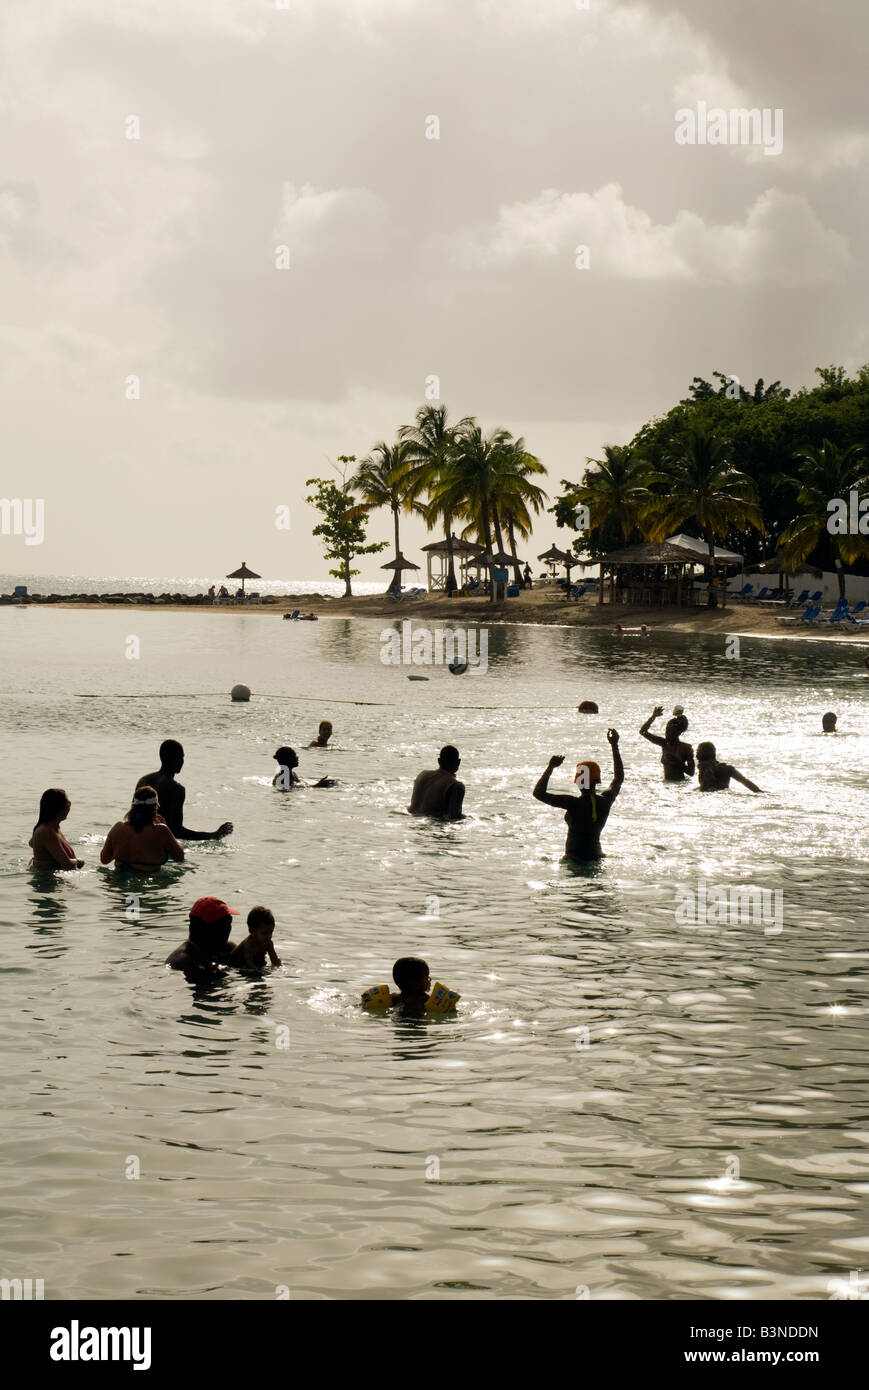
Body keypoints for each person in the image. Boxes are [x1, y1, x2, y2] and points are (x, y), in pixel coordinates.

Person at [533, 729, 623, 862]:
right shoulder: (605, 800)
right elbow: (619, 777)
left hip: (574, 859)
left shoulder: (572, 803)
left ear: (577, 780)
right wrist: (614, 745)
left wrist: (550, 767)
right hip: (596, 857)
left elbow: (538, 793)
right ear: (597, 779)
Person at [136, 740, 232, 840]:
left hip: (136, 838)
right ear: (174, 759)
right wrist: (213, 835)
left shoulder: (143, 780)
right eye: (181, 757)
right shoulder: (176, 788)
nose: (182, 761)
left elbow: (134, 816)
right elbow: (176, 831)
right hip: (159, 842)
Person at [101, 787, 185, 871]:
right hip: (149, 880)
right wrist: (166, 829)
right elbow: (179, 857)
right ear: (155, 807)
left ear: (133, 807)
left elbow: (104, 860)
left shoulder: (118, 828)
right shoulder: (161, 831)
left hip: (118, 879)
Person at [166, 897, 239, 979]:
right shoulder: (181, 962)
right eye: (228, 921)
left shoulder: (227, 948)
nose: (230, 927)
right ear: (212, 928)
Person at [29, 789, 84, 870]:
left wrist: (43, 856)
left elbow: (31, 843)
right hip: (48, 880)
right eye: (67, 802)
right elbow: (67, 864)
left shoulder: (52, 827)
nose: (69, 805)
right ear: (57, 807)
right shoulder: (47, 831)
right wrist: (79, 861)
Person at [639, 706, 695, 782]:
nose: (667, 733)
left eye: (671, 731)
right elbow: (643, 732)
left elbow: (691, 773)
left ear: (678, 732)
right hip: (666, 783)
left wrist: (676, 761)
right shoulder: (664, 743)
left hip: (680, 784)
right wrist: (653, 717)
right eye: (667, 730)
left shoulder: (686, 748)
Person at [408, 745, 465, 819]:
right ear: (458, 762)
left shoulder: (422, 775)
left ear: (439, 761)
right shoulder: (455, 786)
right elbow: (454, 817)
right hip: (433, 825)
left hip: (411, 820)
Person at [696, 741, 762, 792]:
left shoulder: (704, 766)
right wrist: (759, 792)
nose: (696, 755)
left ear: (704, 753)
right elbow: (745, 781)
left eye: (698, 752)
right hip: (723, 795)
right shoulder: (727, 768)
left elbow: (708, 787)